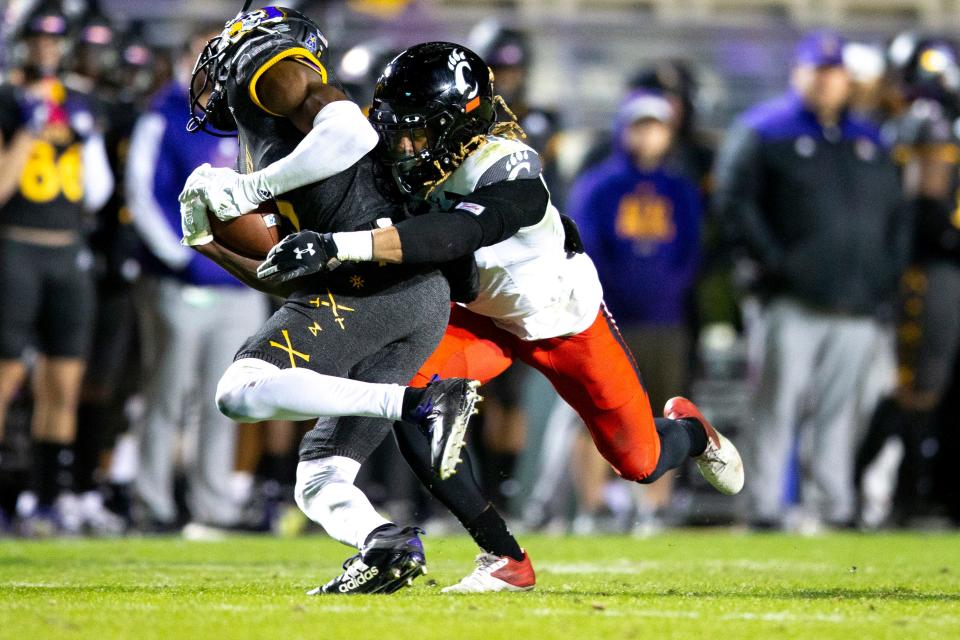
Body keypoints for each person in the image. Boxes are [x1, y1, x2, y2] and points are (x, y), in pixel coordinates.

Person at [257, 42, 744, 592]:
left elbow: (455, 234)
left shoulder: (507, 168)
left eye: (417, 129)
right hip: (484, 319)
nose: (402, 142)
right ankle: (504, 556)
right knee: (416, 398)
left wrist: (342, 245)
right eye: (396, 125)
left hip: (565, 324)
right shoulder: (407, 163)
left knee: (639, 460)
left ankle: (692, 433)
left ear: (457, 125)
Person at [177, 6, 480, 594]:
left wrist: (250, 187)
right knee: (320, 476)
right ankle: (384, 546)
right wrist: (207, 243)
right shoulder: (275, 132)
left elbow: (352, 132)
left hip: (374, 286)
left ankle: (418, 403)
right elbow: (290, 280)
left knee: (239, 391)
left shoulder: (271, 68)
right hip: (405, 298)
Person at [713, 30, 912, 529]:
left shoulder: (869, 140)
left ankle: (833, 506)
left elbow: (896, 216)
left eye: (834, 72)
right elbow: (734, 202)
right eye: (816, 71)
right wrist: (775, 263)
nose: (826, 81)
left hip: (858, 303)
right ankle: (762, 506)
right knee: (776, 406)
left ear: (847, 79)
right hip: (789, 300)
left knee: (841, 413)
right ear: (797, 74)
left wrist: (885, 275)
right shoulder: (764, 129)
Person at [126, 25, 271, 533]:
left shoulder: (253, 115)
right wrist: (180, 256)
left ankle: (214, 505)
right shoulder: (164, 112)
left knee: (224, 398)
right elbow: (141, 194)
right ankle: (153, 501)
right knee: (167, 395)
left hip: (237, 281)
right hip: (182, 281)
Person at [556, 89, 703, 529]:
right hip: (605, 318)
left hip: (664, 318)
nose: (648, 136)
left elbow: (692, 250)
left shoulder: (680, 188)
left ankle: (653, 506)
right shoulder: (599, 185)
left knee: (661, 414)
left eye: (656, 126)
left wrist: (667, 291)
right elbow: (584, 249)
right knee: (594, 412)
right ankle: (593, 506)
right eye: (640, 126)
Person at [0, 4, 113, 535]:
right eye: (38, 40)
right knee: (5, 378)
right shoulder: (7, 98)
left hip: (68, 250)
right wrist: (30, 124)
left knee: (63, 384)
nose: (47, 49)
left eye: (55, 40)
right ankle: (6, 498)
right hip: (16, 246)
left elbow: (97, 191)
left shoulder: (80, 101)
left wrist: (81, 135)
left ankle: (47, 499)